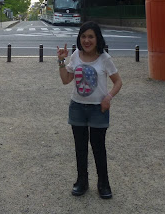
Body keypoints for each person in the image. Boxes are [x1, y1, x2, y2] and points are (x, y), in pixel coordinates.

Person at [57, 21, 123, 199]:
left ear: (97, 39)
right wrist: (61, 61)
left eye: (90, 37)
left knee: (98, 147)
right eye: (83, 36)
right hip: (77, 107)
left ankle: (103, 183)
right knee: (80, 147)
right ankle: (82, 181)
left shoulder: (104, 58)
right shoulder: (76, 55)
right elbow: (65, 80)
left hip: (98, 109)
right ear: (79, 38)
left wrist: (108, 98)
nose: (87, 40)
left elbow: (118, 82)